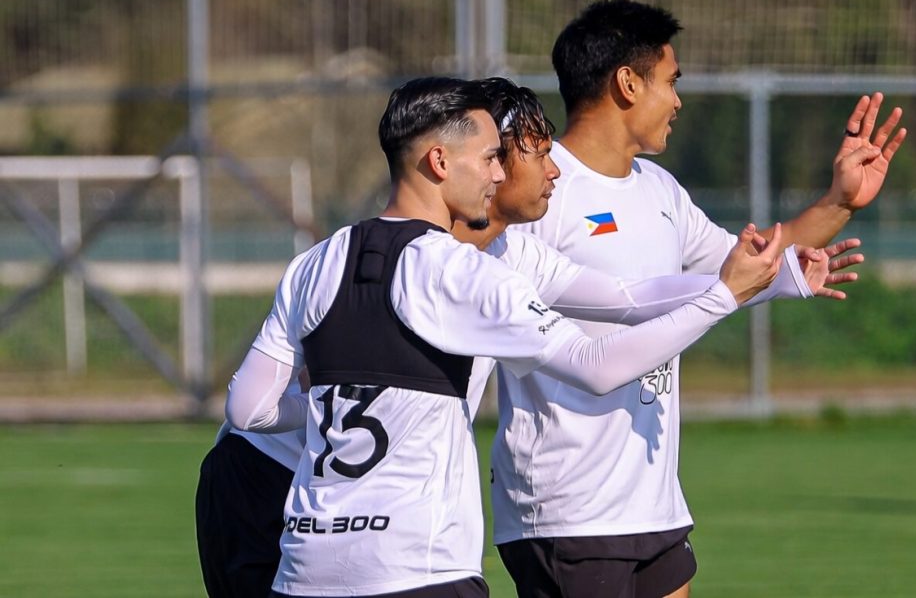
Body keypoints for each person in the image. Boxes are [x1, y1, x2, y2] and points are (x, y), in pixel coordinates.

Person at [195, 76, 856, 597]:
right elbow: (596, 359)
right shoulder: (436, 263)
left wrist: (772, 280)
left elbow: (627, 300)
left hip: (356, 516)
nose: (556, 172)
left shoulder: (507, 252)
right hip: (272, 479)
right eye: (535, 154)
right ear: (484, 163)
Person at [492, 0, 907, 598]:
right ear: (628, 83)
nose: (678, 100)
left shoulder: (659, 187)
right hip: (568, 506)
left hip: (653, 500)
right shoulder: (536, 187)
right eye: (671, 81)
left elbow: (745, 266)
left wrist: (839, 201)